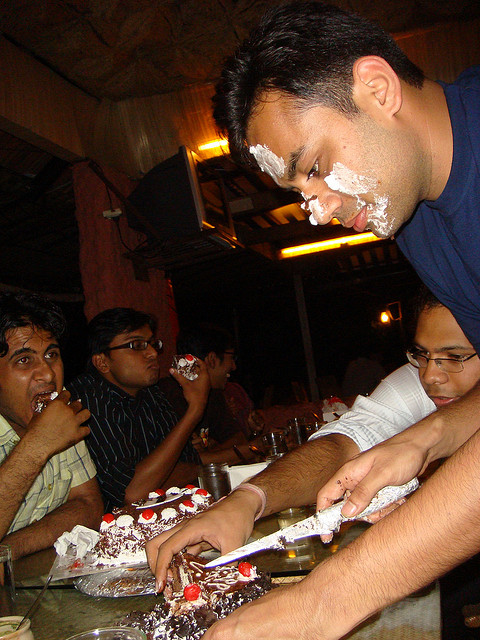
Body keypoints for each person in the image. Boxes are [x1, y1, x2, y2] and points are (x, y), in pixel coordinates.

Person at [146, 2, 480, 637]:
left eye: (317, 169)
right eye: (301, 193)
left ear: (378, 88)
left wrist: (322, 603)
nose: (319, 212)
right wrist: (424, 437)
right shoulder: (417, 220)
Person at [145, 285, 479, 636]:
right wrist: (247, 499)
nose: (430, 375)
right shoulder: (418, 380)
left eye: (455, 356)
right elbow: (348, 439)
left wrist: (318, 604)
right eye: (422, 355)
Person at [67, 308, 210, 511]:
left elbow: (191, 464)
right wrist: (195, 410)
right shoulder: (87, 403)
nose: (153, 353)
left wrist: (152, 479)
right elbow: (132, 493)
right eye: (136, 345)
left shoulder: (150, 392)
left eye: (152, 344)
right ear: (102, 362)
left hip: (165, 512)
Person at [0, 292, 103, 560]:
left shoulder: (58, 412)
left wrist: (9, 549)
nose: (47, 373)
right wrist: (38, 445)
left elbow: (89, 505)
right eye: (24, 359)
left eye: (51, 354)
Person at [157, 324, 257, 465]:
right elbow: (183, 463)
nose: (234, 366)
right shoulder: (166, 396)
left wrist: (209, 453)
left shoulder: (213, 394)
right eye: (231, 358)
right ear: (212, 359)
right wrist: (259, 446)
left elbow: (238, 439)